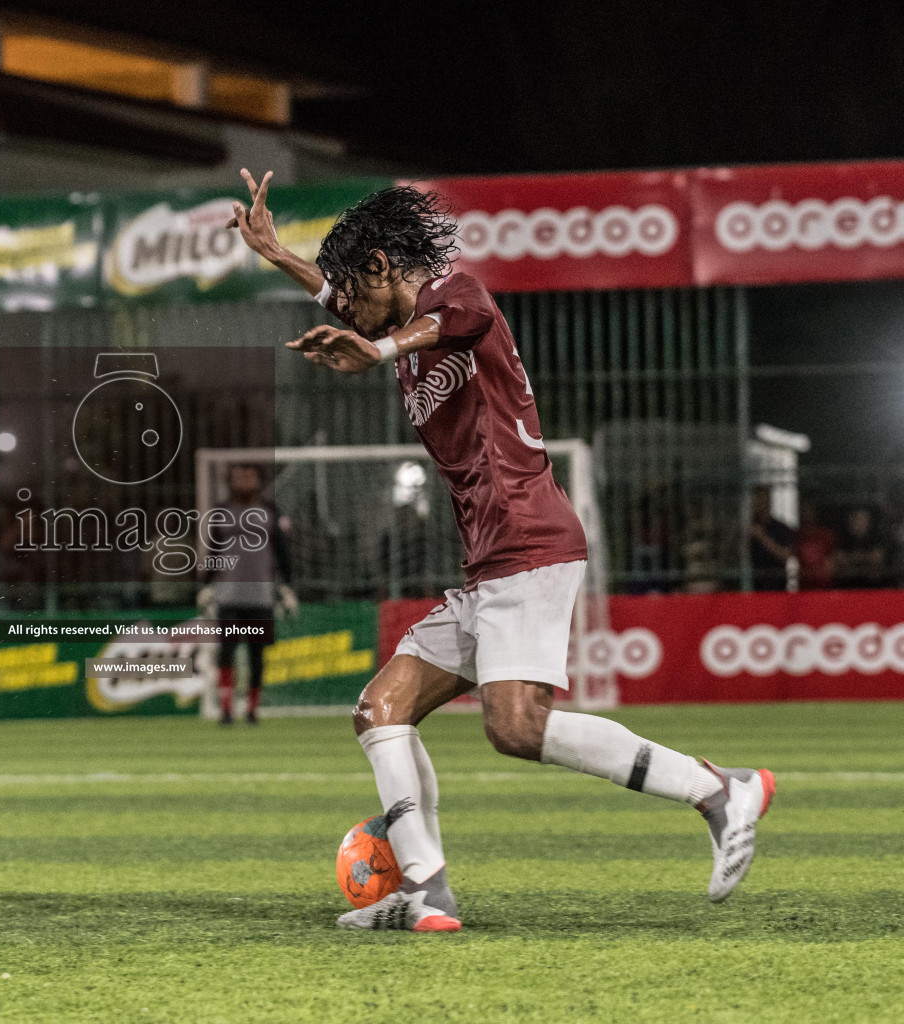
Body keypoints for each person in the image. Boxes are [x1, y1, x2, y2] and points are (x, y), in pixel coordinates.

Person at [230, 172, 776, 932]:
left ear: (385, 267)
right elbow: (352, 305)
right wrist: (278, 256)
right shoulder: (392, 319)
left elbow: (437, 316)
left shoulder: (460, 296)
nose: (343, 306)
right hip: (488, 562)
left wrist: (377, 346)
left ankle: (720, 790)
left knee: (515, 726)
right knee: (380, 708)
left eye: (354, 289)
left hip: (529, 538)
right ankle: (426, 889)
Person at [197, 463, 296, 725]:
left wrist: (287, 585)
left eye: (249, 476)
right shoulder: (222, 511)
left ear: (257, 480)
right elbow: (214, 551)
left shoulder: (270, 510)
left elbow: (282, 550)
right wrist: (206, 585)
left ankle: (252, 709)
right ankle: (226, 709)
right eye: (239, 476)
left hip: (261, 597)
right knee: (227, 653)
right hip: (228, 596)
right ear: (231, 481)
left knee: (257, 655)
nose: (244, 481)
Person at [747, 486, 794, 592]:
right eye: (755, 500)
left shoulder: (780, 528)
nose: (757, 504)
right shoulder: (749, 527)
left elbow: (785, 555)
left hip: (776, 588)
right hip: (754, 589)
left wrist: (762, 537)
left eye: (761, 499)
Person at [793, 500, 836, 591]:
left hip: (824, 587)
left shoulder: (826, 535)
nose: (806, 513)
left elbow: (833, 560)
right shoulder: (796, 536)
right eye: (803, 510)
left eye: (809, 510)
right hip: (803, 589)